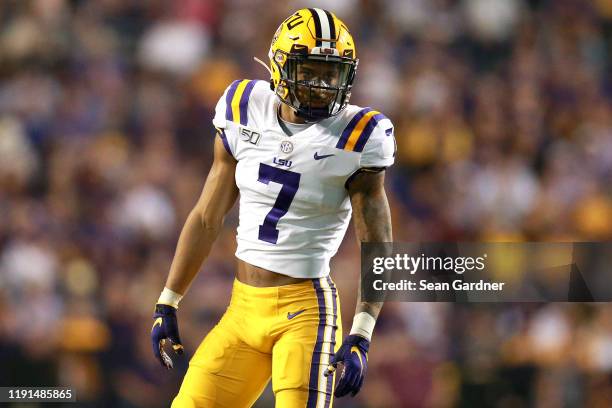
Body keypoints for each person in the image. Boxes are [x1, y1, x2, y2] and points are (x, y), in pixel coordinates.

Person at [151, 7, 396, 408]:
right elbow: (207, 216)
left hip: (306, 312)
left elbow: (377, 244)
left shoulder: (359, 135)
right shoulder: (242, 105)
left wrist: (363, 331)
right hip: (243, 308)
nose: (321, 85)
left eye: (331, 74)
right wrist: (168, 298)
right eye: (310, 71)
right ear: (280, 67)